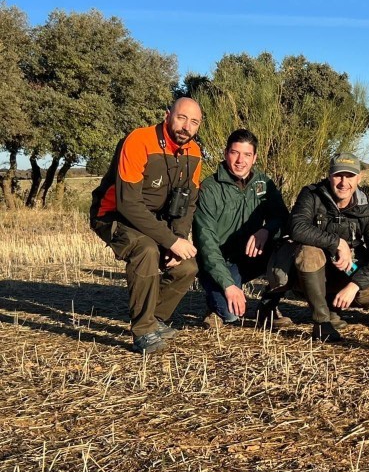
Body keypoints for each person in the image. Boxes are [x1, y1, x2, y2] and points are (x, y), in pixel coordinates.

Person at [89, 97, 203, 353]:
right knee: (147, 251)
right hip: (113, 215)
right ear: (167, 115)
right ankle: (143, 331)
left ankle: (156, 318)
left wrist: (178, 238)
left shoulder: (194, 153)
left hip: (155, 221)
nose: (187, 126)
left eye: (194, 122)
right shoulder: (139, 140)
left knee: (188, 266)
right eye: (182, 117)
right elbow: (128, 204)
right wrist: (170, 240)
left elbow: (188, 203)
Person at [193, 129, 291, 329]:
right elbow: (206, 243)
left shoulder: (263, 183)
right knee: (230, 314)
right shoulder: (210, 188)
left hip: (250, 256)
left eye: (247, 154)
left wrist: (267, 230)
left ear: (254, 157)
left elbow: (283, 217)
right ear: (225, 153)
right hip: (219, 261)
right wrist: (228, 286)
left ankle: (268, 306)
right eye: (235, 153)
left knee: (290, 251)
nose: (240, 160)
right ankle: (215, 306)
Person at [289, 152, 369, 342]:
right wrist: (337, 242)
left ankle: (332, 306)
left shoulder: (366, 208)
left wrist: (354, 285)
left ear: (359, 178)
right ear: (329, 175)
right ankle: (322, 321)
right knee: (309, 252)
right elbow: (296, 227)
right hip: (308, 274)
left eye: (350, 176)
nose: (344, 182)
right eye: (338, 175)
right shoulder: (311, 194)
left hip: (346, 274)